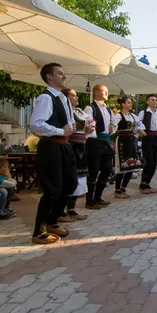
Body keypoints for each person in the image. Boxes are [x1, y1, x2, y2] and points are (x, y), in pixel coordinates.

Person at [30, 63, 77, 244]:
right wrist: (60, 131)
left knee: (70, 184)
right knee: (52, 189)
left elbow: (66, 124)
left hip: (64, 145)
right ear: (49, 77)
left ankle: (52, 221)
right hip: (50, 146)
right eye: (60, 73)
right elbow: (36, 124)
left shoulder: (63, 99)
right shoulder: (46, 97)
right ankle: (38, 231)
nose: (64, 77)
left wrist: (72, 128)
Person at [62, 88, 92, 220]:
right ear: (66, 98)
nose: (77, 98)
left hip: (81, 146)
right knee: (70, 177)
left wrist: (87, 130)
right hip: (70, 146)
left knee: (79, 176)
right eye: (73, 96)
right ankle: (62, 210)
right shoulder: (65, 112)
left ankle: (71, 209)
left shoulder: (79, 111)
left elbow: (84, 132)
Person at [84, 85, 116, 209]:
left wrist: (112, 129)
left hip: (106, 141)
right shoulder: (90, 107)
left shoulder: (108, 109)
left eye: (107, 91)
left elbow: (113, 123)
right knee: (93, 170)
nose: (107, 93)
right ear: (96, 93)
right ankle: (89, 199)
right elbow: (87, 122)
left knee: (107, 168)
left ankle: (98, 196)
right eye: (104, 91)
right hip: (94, 141)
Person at [112, 96, 145, 197]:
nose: (130, 104)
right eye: (128, 102)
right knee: (122, 164)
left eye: (131, 103)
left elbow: (140, 127)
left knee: (132, 164)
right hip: (122, 141)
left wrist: (139, 132)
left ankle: (123, 188)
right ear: (123, 104)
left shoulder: (133, 116)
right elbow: (113, 127)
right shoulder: (118, 116)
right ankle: (117, 190)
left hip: (131, 141)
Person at [137, 94, 157, 193]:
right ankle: (142, 185)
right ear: (147, 102)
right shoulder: (143, 112)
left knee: (154, 162)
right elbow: (138, 124)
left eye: (155, 100)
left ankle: (147, 183)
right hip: (147, 137)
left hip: (156, 138)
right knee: (148, 161)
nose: (155, 102)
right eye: (152, 100)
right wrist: (141, 131)